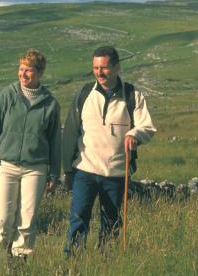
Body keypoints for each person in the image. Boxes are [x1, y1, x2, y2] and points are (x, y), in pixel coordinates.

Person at [62, 46, 156, 256]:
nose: (99, 72)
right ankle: (72, 262)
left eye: (104, 67)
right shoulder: (84, 94)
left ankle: (107, 261)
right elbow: (70, 132)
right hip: (84, 169)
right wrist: (67, 169)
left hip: (116, 172)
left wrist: (135, 134)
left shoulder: (132, 95)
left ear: (117, 67)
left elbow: (147, 126)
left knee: (111, 221)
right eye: (96, 68)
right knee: (78, 218)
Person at [0, 49, 61, 260]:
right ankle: (8, 249)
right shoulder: (6, 96)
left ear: (39, 73)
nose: (23, 74)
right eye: (21, 69)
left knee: (27, 220)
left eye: (28, 70)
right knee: (3, 220)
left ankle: (19, 262)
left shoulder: (50, 104)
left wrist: (54, 173)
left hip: (36, 168)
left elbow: (55, 142)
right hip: (8, 166)